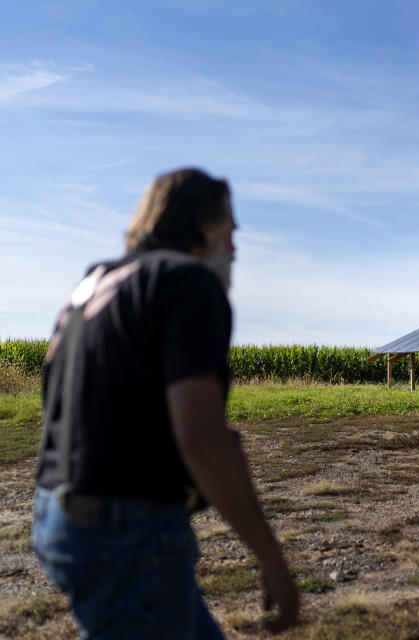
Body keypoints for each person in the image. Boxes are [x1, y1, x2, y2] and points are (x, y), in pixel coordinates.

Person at [31, 168, 299, 638]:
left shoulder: (93, 284)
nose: (234, 250)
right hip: (128, 530)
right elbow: (201, 437)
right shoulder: (187, 282)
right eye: (230, 232)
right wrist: (270, 556)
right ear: (205, 227)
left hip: (57, 510)